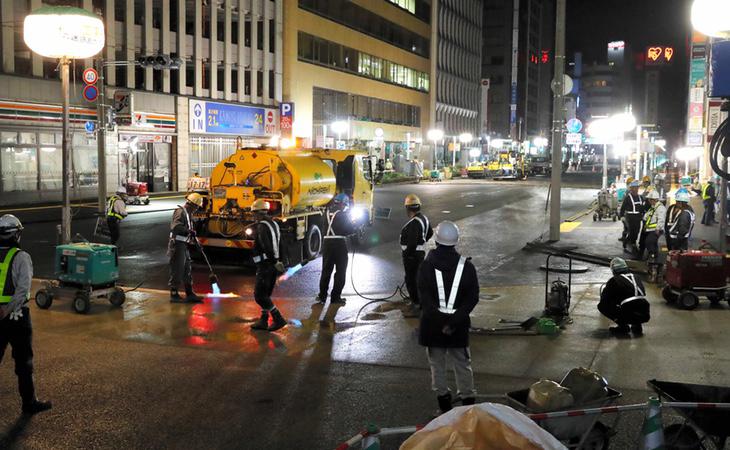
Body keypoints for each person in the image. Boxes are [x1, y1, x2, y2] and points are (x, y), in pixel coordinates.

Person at [417, 221, 479, 414]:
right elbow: (472, 299)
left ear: (436, 239)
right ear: (456, 241)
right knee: (462, 365)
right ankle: (468, 409)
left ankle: (444, 408)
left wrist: (441, 323)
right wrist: (452, 323)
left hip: (433, 327)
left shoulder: (425, 267)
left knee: (437, 366)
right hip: (457, 327)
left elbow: (425, 301)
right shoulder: (467, 267)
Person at [0, 214, 52, 415]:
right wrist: (6, 309)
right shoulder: (21, 257)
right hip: (16, 317)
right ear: (16, 234)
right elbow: (22, 291)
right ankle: (29, 403)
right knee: (23, 361)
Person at [249, 199, 287, 331]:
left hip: (266, 265)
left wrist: (273, 260)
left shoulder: (261, 227)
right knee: (266, 294)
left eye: (253, 213)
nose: (253, 216)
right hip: (273, 265)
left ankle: (278, 318)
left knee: (259, 296)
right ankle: (263, 320)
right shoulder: (274, 224)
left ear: (258, 213)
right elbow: (281, 243)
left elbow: (266, 246)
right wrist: (279, 261)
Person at [316, 193, 357, 304]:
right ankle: (335, 297)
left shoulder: (326, 213)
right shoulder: (342, 215)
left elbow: (322, 226)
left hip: (327, 244)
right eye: (345, 205)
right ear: (343, 204)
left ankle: (322, 296)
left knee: (326, 270)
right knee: (340, 271)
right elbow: (349, 230)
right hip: (339, 244)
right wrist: (355, 226)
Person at [598, 258, 650, 336]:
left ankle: (623, 326)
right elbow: (640, 294)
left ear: (613, 270)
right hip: (645, 312)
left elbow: (604, 301)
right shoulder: (636, 277)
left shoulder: (614, 280)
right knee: (634, 302)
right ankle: (637, 325)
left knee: (602, 306)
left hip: (628, 313)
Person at [400, 194, 433, 315]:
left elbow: (412, 243)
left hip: (412, 256)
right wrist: (422, 241)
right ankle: (418, 302)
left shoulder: (414, 222)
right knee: (417, 279)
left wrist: (408, 254)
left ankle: (416, 304)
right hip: (419, 254)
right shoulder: (424, 218)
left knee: (411, 280)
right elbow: (430, 232)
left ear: (407, 208)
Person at [168, 193, 204, 303]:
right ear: (192, 204)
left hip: (184, 245)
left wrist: (196, 242)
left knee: (187, 269)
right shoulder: (180, 212)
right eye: (197, 207)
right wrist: (188, 231)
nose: (197, 209)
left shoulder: (188, 214)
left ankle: (190, 293)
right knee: (177, 269)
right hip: (177, 244)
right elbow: (176, 227)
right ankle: (174, 294)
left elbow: (190, 232)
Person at [638, 190, 666, 262]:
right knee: (653, 243)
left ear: (654, 199)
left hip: (656, 230)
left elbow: (661, 219)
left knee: (649, 241)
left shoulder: (660, 208)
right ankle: (654, 257)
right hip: (650, 229)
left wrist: (658, 228)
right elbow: (647, 216)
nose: (649, 201)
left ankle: (652, 256)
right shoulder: (653, 207)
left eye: (649, 200)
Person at [619, 180, 645, 256]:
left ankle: (627, 240)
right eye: (634, 188)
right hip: (630, 217)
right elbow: (623, 208)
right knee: (632, 231)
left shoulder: (640, 197)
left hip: (638, 217)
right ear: (631, 189)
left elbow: (643, 207)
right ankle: (633, 244)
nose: (635, 189)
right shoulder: (628, 198)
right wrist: (622, 216)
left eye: (637, 188)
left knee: (636, 231)